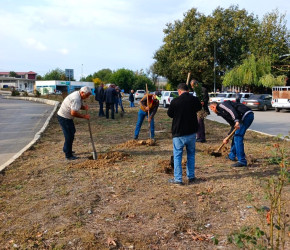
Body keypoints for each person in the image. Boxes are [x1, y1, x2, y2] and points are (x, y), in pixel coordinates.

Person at [167, 83, 202, 185]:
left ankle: (178, 179)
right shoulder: (194, 99)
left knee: (178, 155)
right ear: (188, 90)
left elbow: (170, 114)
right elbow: (199, 108)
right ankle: (191, 176)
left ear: (179, 91)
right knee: (191, 154)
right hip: (191, 132)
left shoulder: (175, 101)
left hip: (179, 133)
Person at [209, 101, 254, 167]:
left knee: (238, 137)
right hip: (242, 118)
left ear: (213, 107)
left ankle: (242, 161)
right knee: (235, 135)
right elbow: (233, 125)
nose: (212, 111)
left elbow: (232, 110)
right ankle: (232, 155)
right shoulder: (221, 113)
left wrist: (237, 121)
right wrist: (227, 137)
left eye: (211, 109)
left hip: (246, 115)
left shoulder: (222, 105)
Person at [57, 86, 91, 160]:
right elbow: (73, 113)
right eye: (87, 95)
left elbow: (77, 106)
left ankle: (66, 149)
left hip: (67, 117)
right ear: (82, 92)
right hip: (64, 117)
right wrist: (84, 116)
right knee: (69, 136)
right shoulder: (76, 98)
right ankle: (68, 155)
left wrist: (84, 107)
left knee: (72, 132)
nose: (87, 97)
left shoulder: (78, 95)